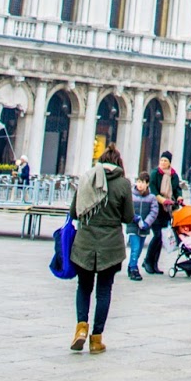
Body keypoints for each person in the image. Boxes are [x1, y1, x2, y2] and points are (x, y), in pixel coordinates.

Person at [69, 144, 134, 352]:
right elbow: (128, 217)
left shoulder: (87, 179)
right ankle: (96, 339)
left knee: (84, 287)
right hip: (110, 245)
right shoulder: (123, 184)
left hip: (85, 242)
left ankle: (81, 328)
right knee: (104, 292)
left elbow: (73, 212)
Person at [144, 151, 181, 274]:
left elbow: (176, 189)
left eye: (165, 161)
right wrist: (162, 199)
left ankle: (155, 263)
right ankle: (147, 261)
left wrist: (179, 197)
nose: (163, 163)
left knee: (162, 237)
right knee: (157, 235)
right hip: (155, 208)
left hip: (167, 210)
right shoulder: (155, 173)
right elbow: (152, 189)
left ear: (169, 162)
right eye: (162, 160)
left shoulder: (173, 175)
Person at [127, 174, 159, 280]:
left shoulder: (151, 197)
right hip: (132, 226)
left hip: (144, 228)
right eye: (139, 182)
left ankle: (131, 264)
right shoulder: (130, 195)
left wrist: (146, 222)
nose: (140, 185)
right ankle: (133, 269)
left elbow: (154, 211)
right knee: (135, 248)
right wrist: (133, 217)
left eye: (143, 182)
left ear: (147, 184)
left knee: (139, 249)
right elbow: (126, 208)